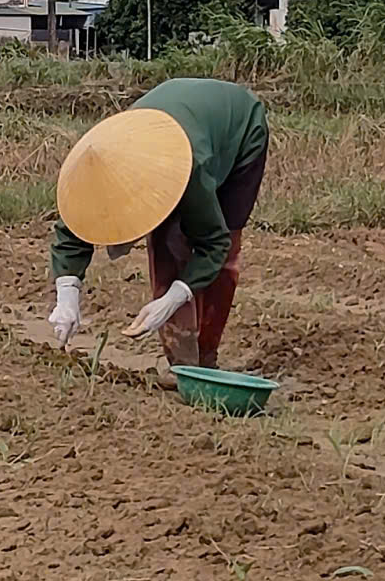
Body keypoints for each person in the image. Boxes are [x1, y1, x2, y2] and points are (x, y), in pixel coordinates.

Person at [46, 77, 270, 369]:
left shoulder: (191, 169)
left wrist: (175, 296)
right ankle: (182, 363)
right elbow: (72, 230)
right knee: (166, 244)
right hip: (172, 117)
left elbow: (215, 244)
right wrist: (67, 296)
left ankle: (205, 359)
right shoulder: (94, 167)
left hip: (239, 127)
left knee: (223, 254)